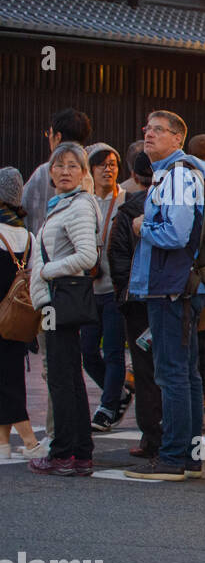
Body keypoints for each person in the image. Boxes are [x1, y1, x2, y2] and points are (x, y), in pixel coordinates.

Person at [123, 110, 205, 482]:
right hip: (185, 285)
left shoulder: (176, 177)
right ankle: (190, 455)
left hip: (171, 285)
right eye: (147, 128)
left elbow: (175, 234)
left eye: (159, 130)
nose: (149, 134)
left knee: (172, 372)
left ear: (178, 138)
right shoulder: (184, 173)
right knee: (186, 374)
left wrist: (143, 227)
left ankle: (174, 455)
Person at [27, 143, 98, 476]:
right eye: (60, 165)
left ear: (84, 173)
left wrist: (45, 271)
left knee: (60, 376)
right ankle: (79, 453)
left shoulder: (78, 206)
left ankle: (63, 454)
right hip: (57, 298)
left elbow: (87, 257)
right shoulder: (63, 205)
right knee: (68, 376)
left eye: (73, 166)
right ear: (50, 171)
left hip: (58, 300)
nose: (65, 171)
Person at [107, 154, 163, 460]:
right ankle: (174, 433)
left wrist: (124, 293)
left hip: (137, 303)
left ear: (135, 175)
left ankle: (151, 435)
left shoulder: (128, 211)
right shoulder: (173, 207)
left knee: (145, 370)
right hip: (167, 300)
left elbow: (116, 260)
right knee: (173, 368)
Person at [80, 144, 129, 433]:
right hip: (89, 289)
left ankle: (108, 407)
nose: (108, 168)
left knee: (112, 351)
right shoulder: (84, 201)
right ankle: (119, 393)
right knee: (88, 352)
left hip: (115, 289)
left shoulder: (125, 201)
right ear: (91, 169)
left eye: (112, 163)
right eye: (102, 164)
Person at [0, 167, 42, 460]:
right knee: (10, 374)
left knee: (8, 381)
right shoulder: (28, 236)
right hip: (19, 317)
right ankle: (2, 444)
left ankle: (29, 442)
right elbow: (37, 277)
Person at [23, 109, 91, 236]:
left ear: (57, 137)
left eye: (49, 133)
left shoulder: (45, 171)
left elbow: (27, 210)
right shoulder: (92, 169)